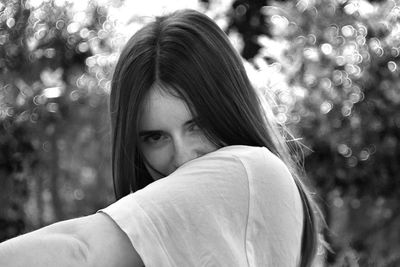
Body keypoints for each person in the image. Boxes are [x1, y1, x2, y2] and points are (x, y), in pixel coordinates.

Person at [0, 9, 321, 267]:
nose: (182, 157)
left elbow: (82, 250)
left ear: (230, 109)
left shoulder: (249, 169)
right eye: (156, 137)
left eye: (198, 124)